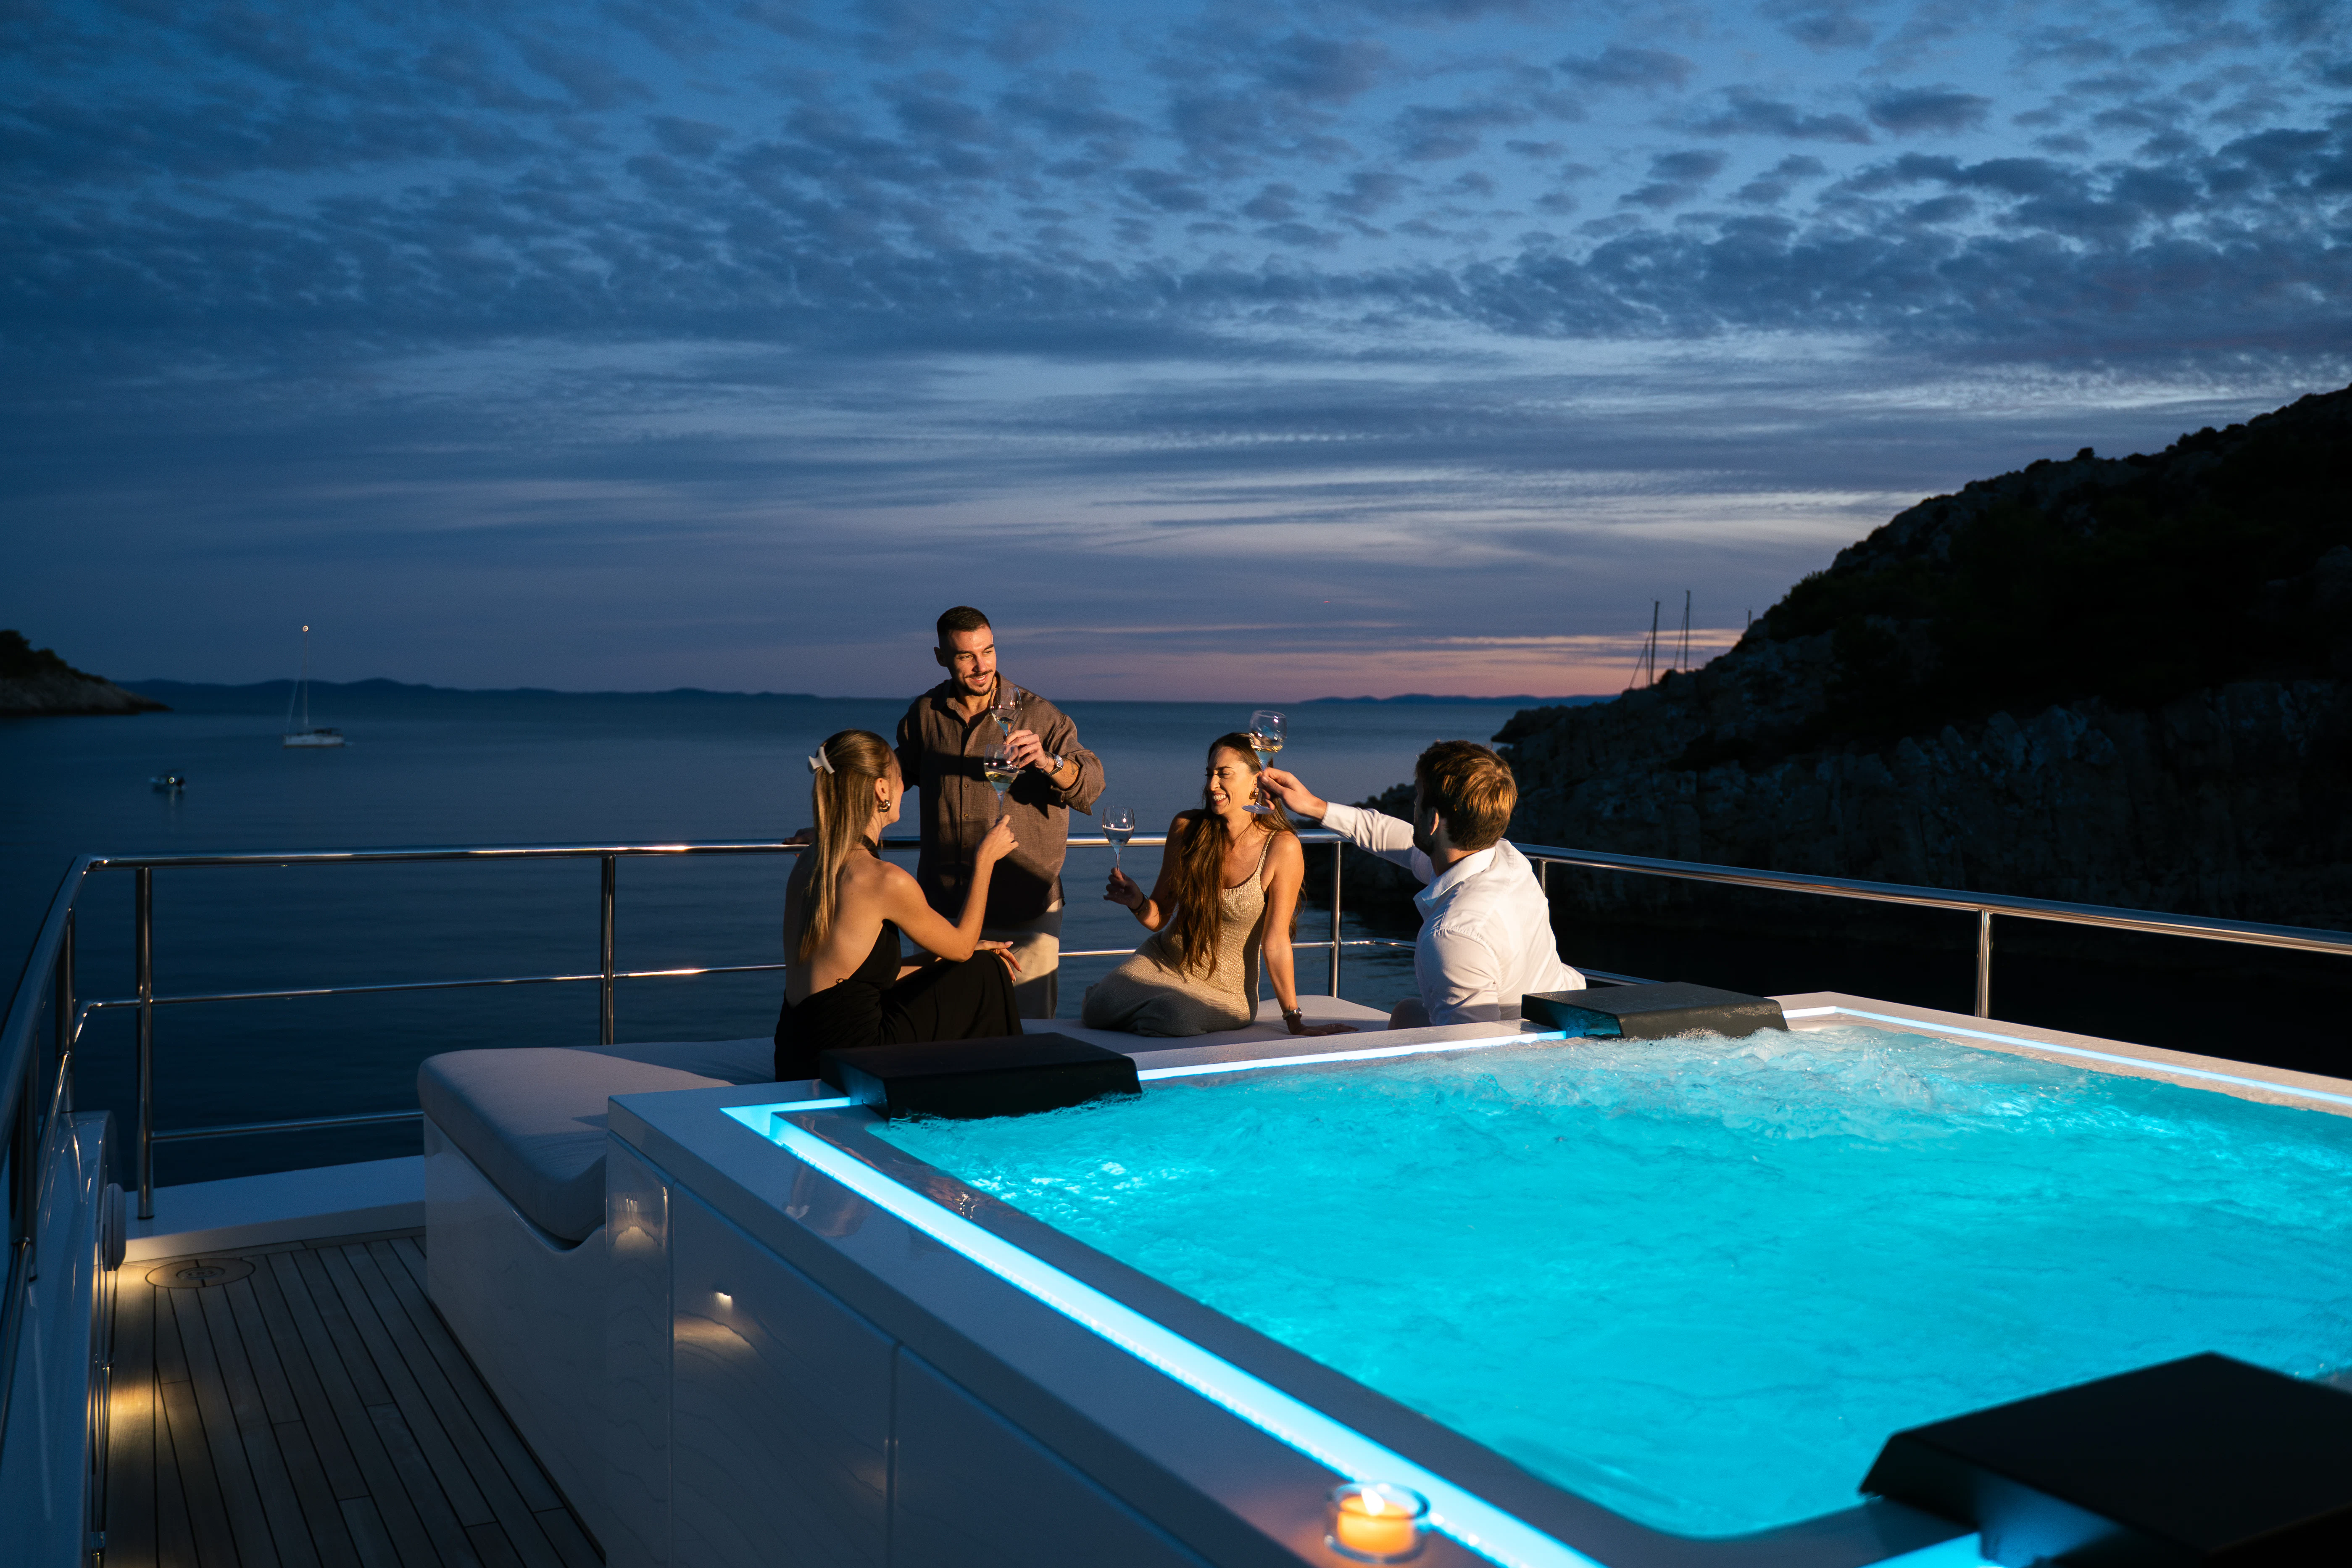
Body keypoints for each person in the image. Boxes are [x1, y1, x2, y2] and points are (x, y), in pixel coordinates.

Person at [1259, 740, 1583, 1028]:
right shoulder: (1505, 858)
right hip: (1569, 1018)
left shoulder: (1453, 935)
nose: (1411, 807)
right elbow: (1396, 838)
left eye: (1417, 798)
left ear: (1432, 821)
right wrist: (1315, 806)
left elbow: (1471, 1060)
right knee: (1408, 1011)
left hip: (1532, 1057)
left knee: (1405, 1015)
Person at [774, 729, 1024, 1083]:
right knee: (986, 973)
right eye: (899, 778)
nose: (903, 785)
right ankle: (1005, 1093)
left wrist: (945, 958)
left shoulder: (811, 860)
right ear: (881, 790)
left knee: (975, 960)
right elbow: (964, 947)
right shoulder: (884, 879)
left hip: (794, 1053)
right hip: (848, 1060)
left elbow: (854, 982)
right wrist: (985, 860)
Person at [895, 606, 1103, 1017]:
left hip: (1024, 913)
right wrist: (833, 824)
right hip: (945, 912)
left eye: (987, 651)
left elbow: (1091, 785)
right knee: (941, 1034)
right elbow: (894, 777)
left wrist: (1048, 762)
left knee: (1028, 1039)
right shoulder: (924, 715)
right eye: (965, 656)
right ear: (941, 657)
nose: (980, 666)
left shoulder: (1039, 714)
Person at [1084, 733, 1357, 1038]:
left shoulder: (1282, 848)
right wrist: (1137, 901)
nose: (1212, 785)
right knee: (1097, 1007)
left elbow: (1276, 941)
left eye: (1224, 774)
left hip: (1226, 992)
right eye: (1209, 774)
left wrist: (1294, 1019)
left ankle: (1150, 1008)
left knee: (1171, 1015)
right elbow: (1159, 918)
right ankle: (1141, 1005)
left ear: (1257, 781)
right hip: (1163, 960)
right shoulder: (1187, 828)